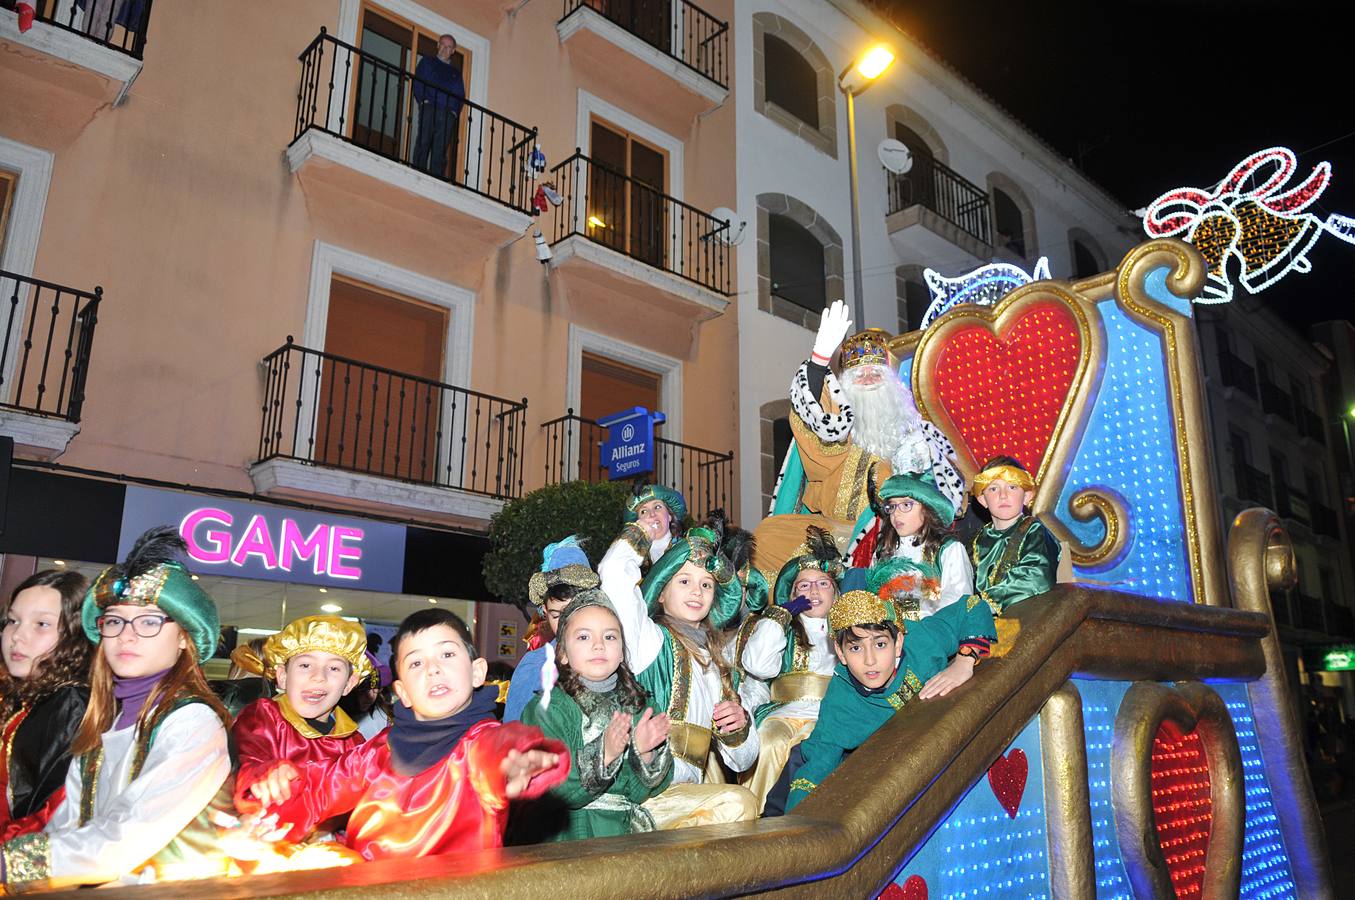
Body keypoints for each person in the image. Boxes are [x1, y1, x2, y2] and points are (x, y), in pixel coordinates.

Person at [0, 527, 235, 889]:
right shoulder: (102, 717)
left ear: (184, 639)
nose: (127, 634)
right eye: (114, 621)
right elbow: (70, 824)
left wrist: (12, 865)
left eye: (148, 621)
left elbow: (122, 842)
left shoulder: (191, 720)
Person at [245, 608, 569, 861]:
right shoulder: (378, 750)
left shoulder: (478, 743)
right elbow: (323, 787)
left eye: (447, 654)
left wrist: (512, 760)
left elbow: (493, 752)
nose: (432, 669)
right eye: (416, 663)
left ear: (477, 672)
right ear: (403, 692)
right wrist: (276, 798)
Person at [756, 301, 964, 576]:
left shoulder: (916, 433)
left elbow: (948, 490)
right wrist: (819, 361)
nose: (867, 379)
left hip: (889, 533)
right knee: (764, 537)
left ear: (890, 381)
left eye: (875, 372)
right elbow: (815, 421)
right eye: (859, 374)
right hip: (830, 531)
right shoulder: (839, 428)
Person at [600, 517, 759, 828]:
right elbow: (614, 575)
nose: (696, 591)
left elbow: (742, 761)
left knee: (738, 806)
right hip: (644, 796)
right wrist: (642, 531)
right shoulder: (646, 639)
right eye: (684, 581)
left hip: (688, 800)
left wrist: (739, 728)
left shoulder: (720, 667)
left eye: (706, 584)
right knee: (737, 804)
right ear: (661, 593)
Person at [786, 588, 996, 811]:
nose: (870, 660)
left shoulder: (921, 643)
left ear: (897, 643)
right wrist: (794, 825)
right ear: (840, 652)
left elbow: (971, 606)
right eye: (855, 648)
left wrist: (964, 661)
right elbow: (817, 764)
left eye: (880, 644)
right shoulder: (841, 699)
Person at [521, 590, 672, 840]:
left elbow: (638, 795)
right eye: (583, 636)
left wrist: (645, 754)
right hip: (571, 835)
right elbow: (549, 785)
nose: (598, 645)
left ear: (622, 651)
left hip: (626, 830)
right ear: (563, 654)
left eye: (610, 636)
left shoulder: (639, 705)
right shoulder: (547, 710)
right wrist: (605, 754)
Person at [230, 616, 373, 841]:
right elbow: (251, 759)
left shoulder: (355, 742)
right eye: (305, 665)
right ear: (283, 676)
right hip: (267, 841)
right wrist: (267, 772)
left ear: (349, 683)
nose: (318, 677)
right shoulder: (264, 716)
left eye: (334, 668)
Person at [737, 526, 843, 813]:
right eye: (803, 585)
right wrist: (781, 615)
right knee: (771, 740)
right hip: (785, 713)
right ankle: (758, 817)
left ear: (836, 592)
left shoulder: (848, 631)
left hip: (829, 716)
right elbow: (757, 665)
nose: (813, 591)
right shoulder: (780, 629)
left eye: (823, 583)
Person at [0, 570, 92, 840]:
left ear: (75, 634)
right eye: (13, 621)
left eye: (41, 624)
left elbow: (51, 818)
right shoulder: (26, 694)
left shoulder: (71, 702)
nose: (17, 636)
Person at [504, 536, 600, 722]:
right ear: (545, 612)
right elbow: (514, 735)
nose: (567, 624)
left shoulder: (608, 655)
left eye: (576, 611)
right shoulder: (533, 666)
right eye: (557, 615)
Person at [868, 471, 973, 619]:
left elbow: (958, 601)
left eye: (906, 505)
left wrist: (903, 610)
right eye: (892, 506)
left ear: (927, 509)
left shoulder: (948, 549)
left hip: (930, 633)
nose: (896, 514)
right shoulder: (885, 549)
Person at [970, 456, 1061, 614]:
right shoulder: (977, 542)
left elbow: (1037, 575)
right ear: (982, 499)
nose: (1003, 495)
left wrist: (983, 604)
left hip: (1025, 620)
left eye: (1012, 487)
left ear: (1026, 496)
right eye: (993, 488)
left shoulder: (1034, 531)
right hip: (981, 624)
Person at [411, 34, 465, 179]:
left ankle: (436, 179)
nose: (444, 49)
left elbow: (460, 95)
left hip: (447, 113)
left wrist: (453, 112)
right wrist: (423, 101)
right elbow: (418, 82)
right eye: (442, 44)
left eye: (448, 47)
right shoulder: (427, 62)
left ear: (453, 51)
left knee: (440, 149)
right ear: (437, 45)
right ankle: (417, 173)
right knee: (423, 141)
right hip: (429, 107)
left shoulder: (456, 74)